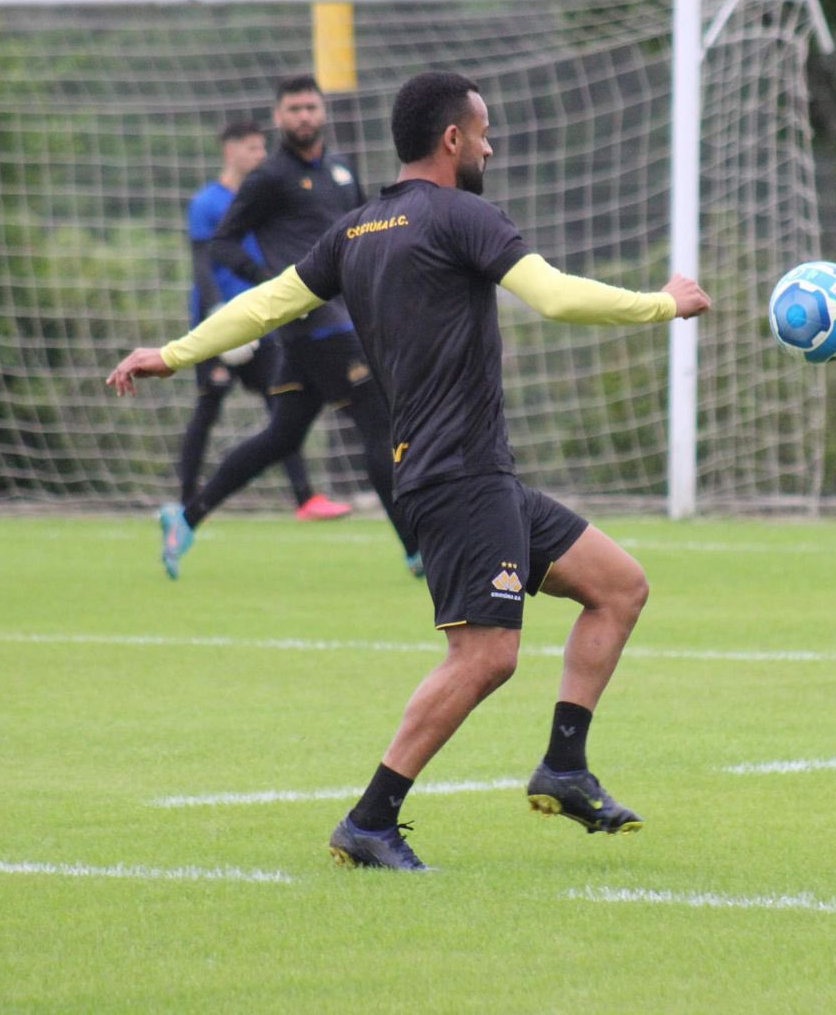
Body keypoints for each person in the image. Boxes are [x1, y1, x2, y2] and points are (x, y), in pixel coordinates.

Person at [108, 71, 712, 871]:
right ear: (452, 140)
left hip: (469, 473)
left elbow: (264, 304)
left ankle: (564, 767)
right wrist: (663, 303)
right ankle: (370, 820)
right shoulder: (464, 216)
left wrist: (175, 353)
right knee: (486, 656)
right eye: (485, 131)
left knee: (618, 586)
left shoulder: (355, 228)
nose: (491, 145)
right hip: (457, 474)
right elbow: (557, 298)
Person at [160, 74, 421, 580]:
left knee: (281, 436)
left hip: (340, 321)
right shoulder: (269, 178)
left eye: (311, 107)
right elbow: (223, 245)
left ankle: (186, 517)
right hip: (318, 326)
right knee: (378, 425)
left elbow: (369, 233)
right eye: (294, 109)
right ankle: (416, 549)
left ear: (323, 113)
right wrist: (279, 288)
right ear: (278, 118)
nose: (304, 116)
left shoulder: (343, 172)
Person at [173, 119, 336, 519]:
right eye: (251, 148)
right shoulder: (207, 202)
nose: (260, 155)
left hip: (260, 319)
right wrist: (214, 311)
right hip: (220, 325)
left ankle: (305, 498)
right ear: (230, 151)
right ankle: (183, 502)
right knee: (207, 409)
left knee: (280, 405)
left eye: (263, 148)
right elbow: (203, 261)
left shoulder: (264, 195)